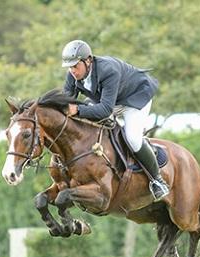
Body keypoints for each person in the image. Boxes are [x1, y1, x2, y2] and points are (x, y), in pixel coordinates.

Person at [60, 39, 169, 201]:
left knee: (132, 138)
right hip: (111, 100)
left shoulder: (108, 70)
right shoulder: (73, 75)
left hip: (135, 98)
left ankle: (157, 180)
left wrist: (78, 109)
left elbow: (104, 110)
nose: (73, 71)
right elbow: (65, 102)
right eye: (70, 67)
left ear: (88, 60)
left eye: (76, 66)